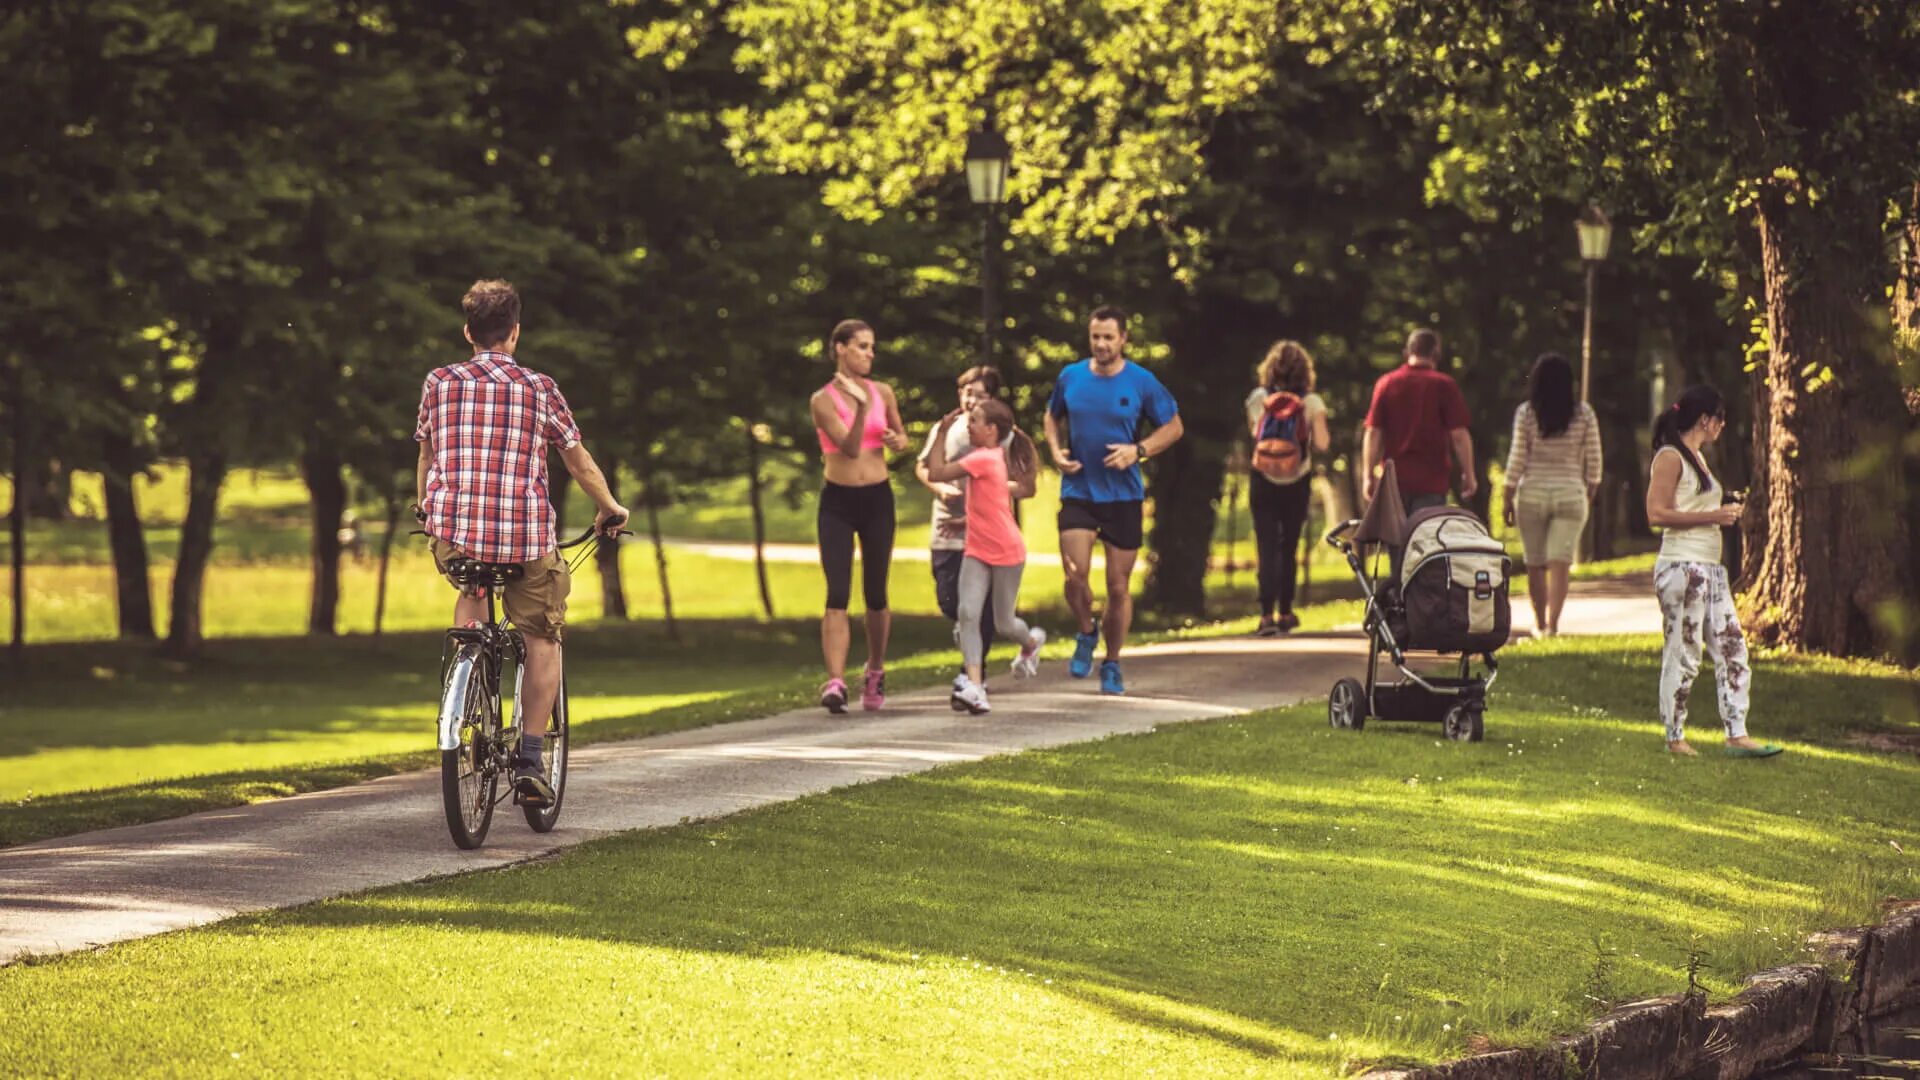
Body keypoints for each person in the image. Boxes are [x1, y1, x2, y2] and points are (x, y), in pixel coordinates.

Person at [414, 279, 629, 806]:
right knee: (543, 636)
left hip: (455, 532)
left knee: (472, 581)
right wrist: (610, 508)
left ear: (468, 332)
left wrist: (428, 512)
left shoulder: (438, 382)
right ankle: (531, 756)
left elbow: (427, 456)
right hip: (523, 537)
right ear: (514, 332)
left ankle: (466, 674)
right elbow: (576, 460)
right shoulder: (539, 388)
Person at [1043, 305, 1184, 695]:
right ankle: (1087, 632)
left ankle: (1113, 663)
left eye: (1109, 337)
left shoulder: (1141, 382)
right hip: (1079, 491)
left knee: (1118, 588)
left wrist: (1137, 451)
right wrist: (1055, 451)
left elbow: (1173, 426)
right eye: (1095, 337)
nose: (1102, 344)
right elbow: (1051, 417)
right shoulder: (1070, 377)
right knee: (1075, 574)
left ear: (1123, 339)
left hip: (1123, 496)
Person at [1644, 385, 1781, 758]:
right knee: (1684, 651)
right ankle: (1675, 735)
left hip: (1711, 569)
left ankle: (1737, 732)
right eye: (1719, 418)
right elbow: (1656, 514)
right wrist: (1714, 516)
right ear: (1705, 419)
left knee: (1732, 647)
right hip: (1682, 567)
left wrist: (1723, 509)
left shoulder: (1699, 459)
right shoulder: (1671, 457)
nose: (1723, 425)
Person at [810, 319, 911, 714]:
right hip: (837, 501)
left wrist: (896, 440)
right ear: (840, 348)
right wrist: (863, 409)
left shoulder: (883, 391)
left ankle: (875, 669)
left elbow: (901, 439)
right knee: (837, 592)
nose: (870, 354)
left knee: (876, 593)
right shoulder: (822, 399)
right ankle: (835, 681)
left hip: (877, 499)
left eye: (872, 347)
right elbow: (849, 449)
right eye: (862, 347)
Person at [924, 398, 1046, 714]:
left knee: (1005, 623)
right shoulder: (988, 460)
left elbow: (935, 472)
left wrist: (940, 434)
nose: (969, 424)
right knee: (968, 613)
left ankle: (1030, 645)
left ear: (991, 430)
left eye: (975, 420)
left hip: (1007, 551)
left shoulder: (983, 459)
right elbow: (992, 506)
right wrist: (964, 522)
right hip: (977, 550)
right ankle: (975, 687)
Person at [916, 366, 1015, 682]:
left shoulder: (1002, 436)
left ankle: (974, 671)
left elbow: (1013, 479)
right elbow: (923, 467)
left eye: (979, 395)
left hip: (984, 531)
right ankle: (964, 627)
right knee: (949, 600)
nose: (971, 400)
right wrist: (939, 488)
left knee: (978, 604)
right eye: (966, 393)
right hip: (946, 528)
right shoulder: (945, 428)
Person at [1502, 353, 1603, 636]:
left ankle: (1540, 623)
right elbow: (1594, 460)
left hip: (1532, 493)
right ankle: (1554, 627)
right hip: (1571, 492)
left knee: (1535, 562)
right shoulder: (1584, 414)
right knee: (1561, 561)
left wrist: (1507, 496)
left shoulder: (1526, 413)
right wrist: (1589, 490)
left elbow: (1517, 457)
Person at [1243, 340, 1331, 636]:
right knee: (1288, 546)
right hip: (1297, 479)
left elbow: (1255, 435)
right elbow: (1322, 443)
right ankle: (1285, 611)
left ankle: (1265, 614)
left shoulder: (1258, 397)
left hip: (1262, 478)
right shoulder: (1312, 402)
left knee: (1266, 545)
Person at [1362, 328, 1476, 515]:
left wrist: (1368, 476)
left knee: (1397, 541)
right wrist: (1469, 474)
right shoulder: (1444, 385)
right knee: (1425, 540)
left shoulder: (1387, 383)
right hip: (1432, 481)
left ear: (1407, 352)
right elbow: (1459, 435)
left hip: (1394, 480)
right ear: (1436, 353)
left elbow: (1373, 433)